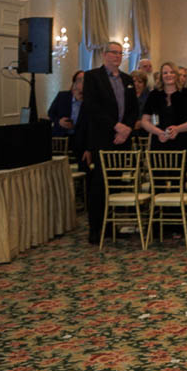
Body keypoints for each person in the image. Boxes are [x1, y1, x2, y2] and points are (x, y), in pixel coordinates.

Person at [81, 41, 140, 244]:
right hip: (103, 137)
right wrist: (116, 126)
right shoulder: (92, 77)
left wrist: (127, 128)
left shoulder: (127, 79)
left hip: (122, 139)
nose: (117, 56)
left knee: (115, 184)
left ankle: (110, 225)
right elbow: (92, 107)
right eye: (113, 53)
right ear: (104, 55)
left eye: (120, 53)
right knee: (99, 184)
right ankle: (96, 228)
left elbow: (133, 109)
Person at [142, 61, 187, 154]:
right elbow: (145, 120)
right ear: (161, 76)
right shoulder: (154, 95)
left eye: (172, 72)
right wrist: (159, 132)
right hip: (158, 141)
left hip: (181, 142)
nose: (168, 75)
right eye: (165, 73)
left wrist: (178, 129)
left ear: (176, 75)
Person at [47, 71, 84, 138]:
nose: (81, 82)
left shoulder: (89, 101)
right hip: (61, 137)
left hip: (80, 139)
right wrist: (59, 121)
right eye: (79, 80)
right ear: (74, 83)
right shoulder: (62, 96)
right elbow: (50, 113)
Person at [130, 71, 151, 136]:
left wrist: (142, 123)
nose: (136, 84)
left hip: (146, 131)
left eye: (140, 82)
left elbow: (155, 117)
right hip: (128, 130)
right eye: (134, 81)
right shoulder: (125, 96)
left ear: (144, 85)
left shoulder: (150, 97)